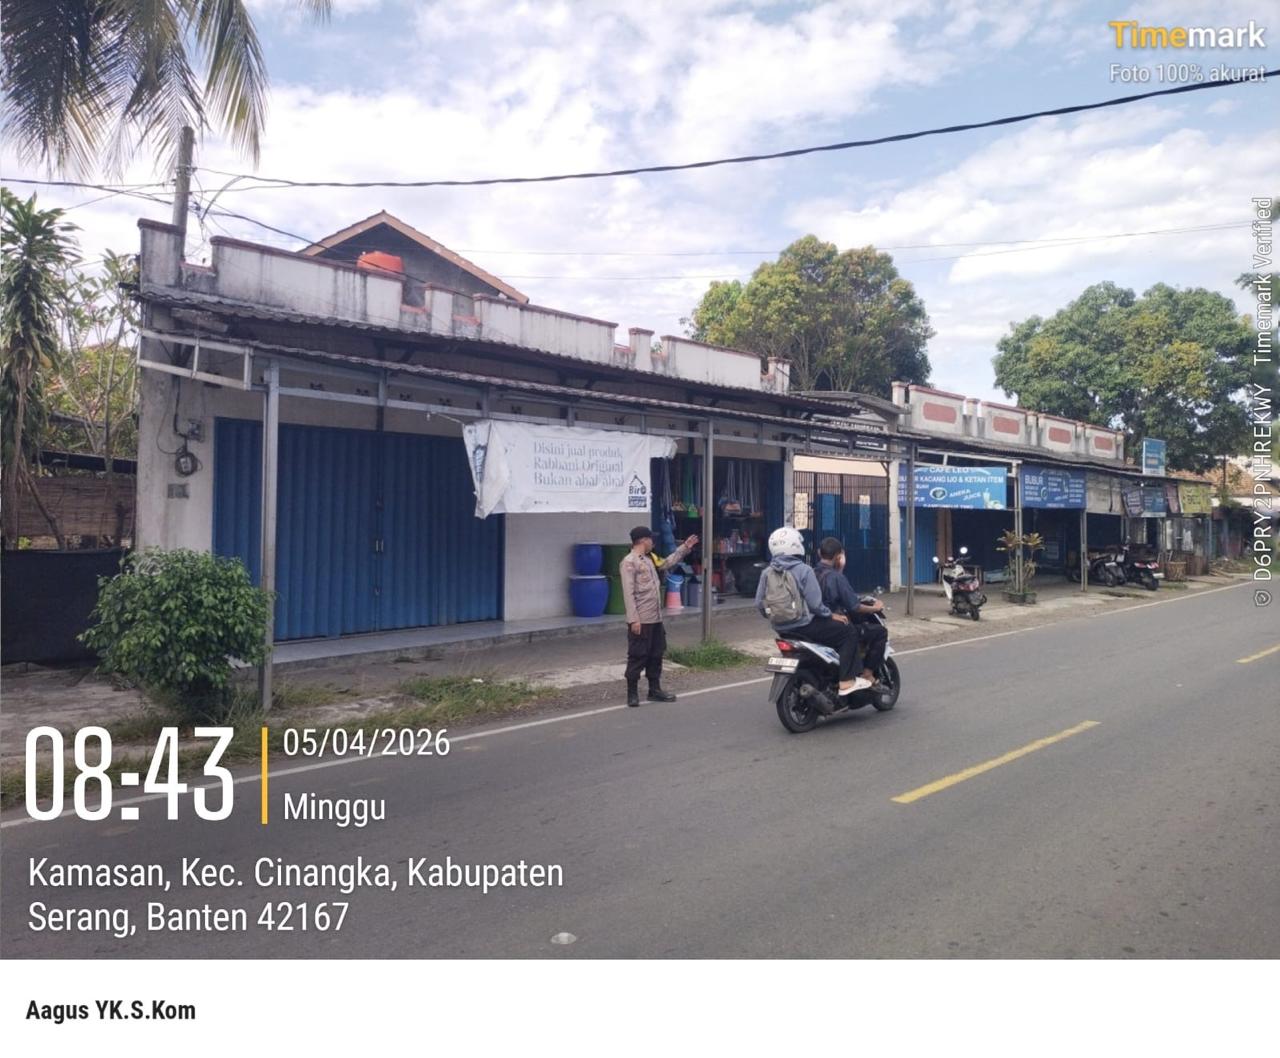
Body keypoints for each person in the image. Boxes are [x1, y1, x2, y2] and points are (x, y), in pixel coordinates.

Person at [754, 526, 869, 695]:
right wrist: (830, 615)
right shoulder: (804, 570)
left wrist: (774, 617)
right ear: (795, 545)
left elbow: (759, 603)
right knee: (848, 632)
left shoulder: (767, 572)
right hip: (805, 626)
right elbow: (815, 605)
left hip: (781, 629)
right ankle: (846, 681)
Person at [620, 526, 699, 707]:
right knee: (637, 655)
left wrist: (685, 548)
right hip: (641, 619)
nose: (652, 542)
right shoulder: (629, 562)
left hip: (655, 618)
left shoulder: (650, 559)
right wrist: (633, 619)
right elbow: (628, 594)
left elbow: (666, 563)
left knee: (656, 654)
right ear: (643, 540)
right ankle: (632, 693)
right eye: (650, 539)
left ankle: (654, 690)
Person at [815, 536, 888, 690]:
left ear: (819, 553)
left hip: (817, 623)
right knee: (880, 632)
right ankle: (867, 674)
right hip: (835, 623)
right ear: (838, 556)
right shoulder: (836, 578)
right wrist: (875, 608)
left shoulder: (812, 573)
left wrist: (839, 569)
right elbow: (855, 606)